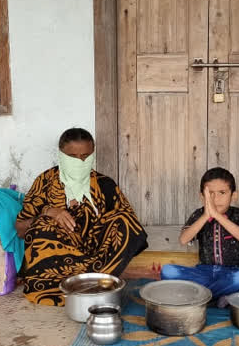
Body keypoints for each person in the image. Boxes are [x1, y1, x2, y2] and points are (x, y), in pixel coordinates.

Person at [15, 128, 148, 305]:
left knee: (124, 219)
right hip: (58, 258)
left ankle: (91, 278)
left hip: (97, 256)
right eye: (73, 157)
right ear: (61, 155)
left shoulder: (104, 184)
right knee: (43, 224)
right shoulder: (45, 182)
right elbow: (20, 229)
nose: (80, 162)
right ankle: (94, 282)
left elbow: (131, 230)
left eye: (86, 156)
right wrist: (48, 212)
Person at [160, 167, 239, 301]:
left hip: (231, 272)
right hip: (203, 272)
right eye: (210, 193)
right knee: (168, 271)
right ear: (202, 196)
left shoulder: (238, 214)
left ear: (234, 195)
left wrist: (217, 216)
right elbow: (184, 239)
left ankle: (201, 296)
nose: (216, 198)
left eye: (222, 192)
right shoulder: (199, 214)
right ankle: (221, 294)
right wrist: (206, 216)